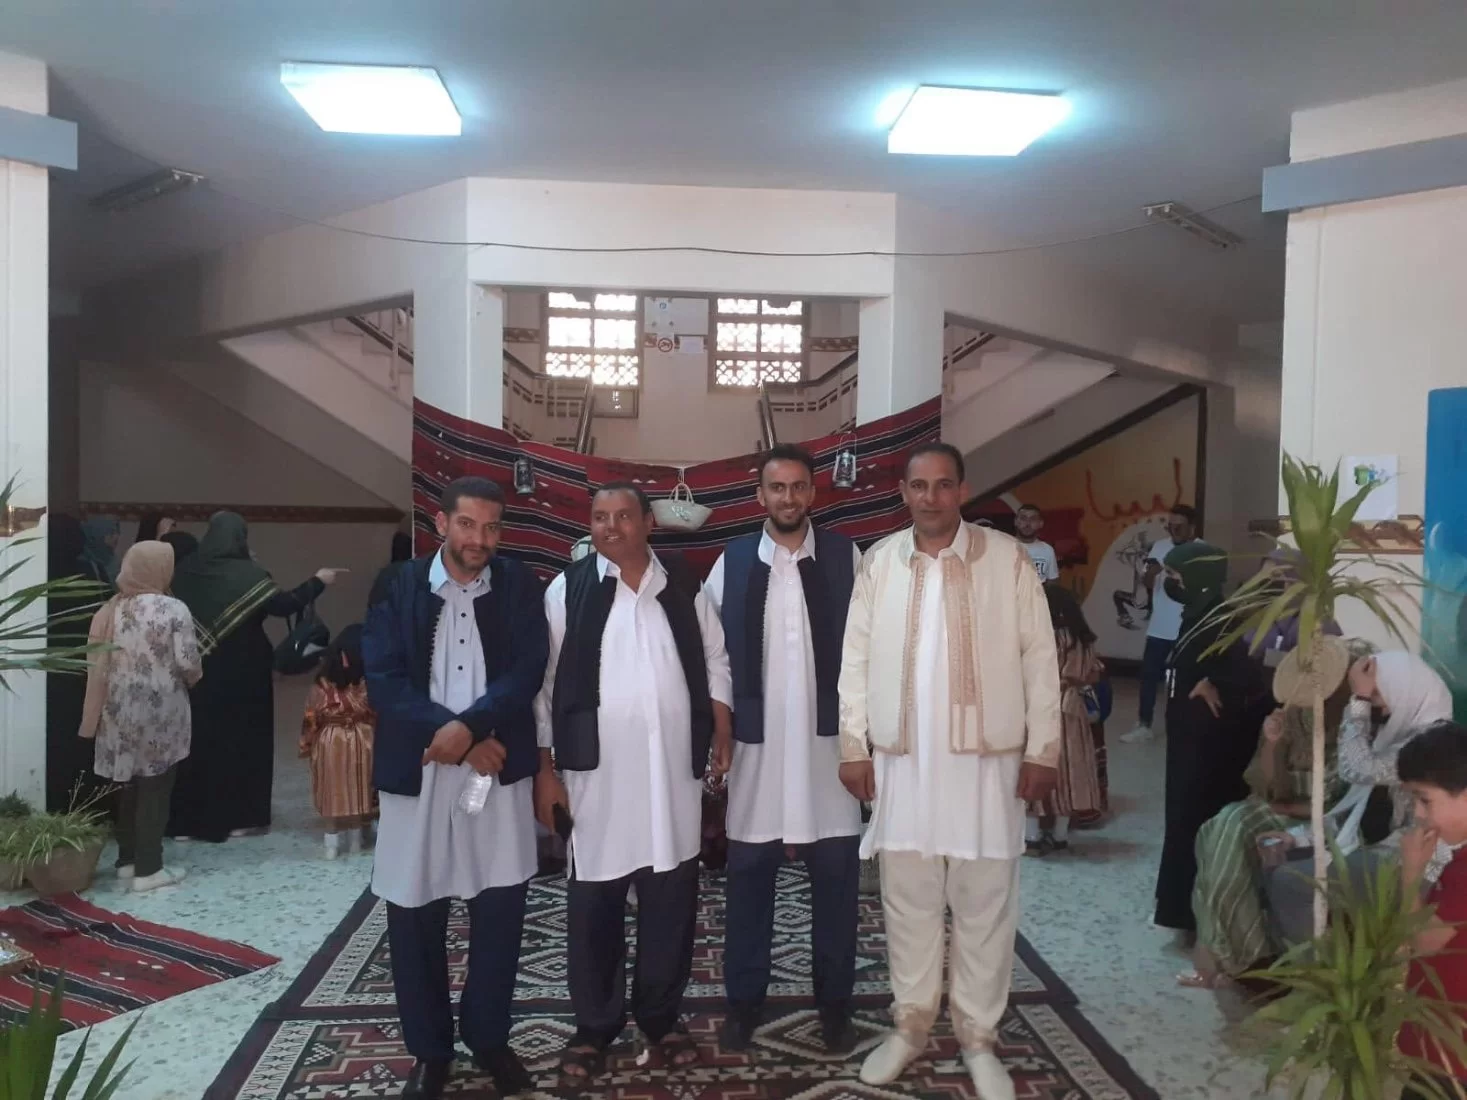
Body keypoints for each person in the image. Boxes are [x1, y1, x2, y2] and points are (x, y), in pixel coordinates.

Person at [837, 442, 1060, 1100]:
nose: (929, 497)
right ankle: (909, 1026)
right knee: (907, 900)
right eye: (918, 486)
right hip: (902, 760)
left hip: (985, 764)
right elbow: (854, 660)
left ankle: (977, 1037)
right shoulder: (880, 562)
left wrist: (1043, 750)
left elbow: (1039, 658)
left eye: (942, 485)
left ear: (962, 491)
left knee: (984, 903)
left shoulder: (1007, 560)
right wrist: (852, 746)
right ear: (903, 493)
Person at [533, 481, 733, 1087]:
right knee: (594, 907)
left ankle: (660, 1020)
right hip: (595, 780)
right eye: (600, 517)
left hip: (671, 778)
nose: (611, 527)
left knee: (671, 905)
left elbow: (716, 659)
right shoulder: (567, 590)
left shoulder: (682, 586)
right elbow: (544, 686)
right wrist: (545, 772)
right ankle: (594, 1027)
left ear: (649, 522)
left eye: (623, 516)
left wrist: (722, 729)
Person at [363, 477, 548, 1099]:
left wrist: (472, 730)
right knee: (415, 914)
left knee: (500, 911)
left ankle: (489, 1038)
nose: (480, 539)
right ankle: (430, 1050)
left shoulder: (518, 585)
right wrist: (460, 738)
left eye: (492, 527)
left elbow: (527, 669)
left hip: (496, 772)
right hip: (419, 770)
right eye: (468, 524)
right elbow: (384, 678)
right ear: (441, 524)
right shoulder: (398, 585)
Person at [703, 444, 863, 1054]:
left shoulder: (848, 557)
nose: (788, 498)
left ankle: (835, 1007)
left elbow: (867, 653)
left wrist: (864, 740)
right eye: (777, 487)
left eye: (798, 487)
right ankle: (743, 1004)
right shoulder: (733, 561)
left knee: (837, 887)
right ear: (760, 495)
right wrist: (721, 728)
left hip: (830, 755)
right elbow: (714, 655)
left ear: (813, 493)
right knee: (748, 884)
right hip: (758, 754)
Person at [1184, 637, 1372, 987]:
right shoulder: (1292, 714)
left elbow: (1338, 803)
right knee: (1224, 826)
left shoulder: (1356, 725)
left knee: (1244, 833)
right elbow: (1268, 786)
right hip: (1278, 806)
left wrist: (1284, 807)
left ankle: (1237, 955)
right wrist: (1272, 743)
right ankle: (1238, 950)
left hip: (1326, 821)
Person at [167, 512, 340, 842]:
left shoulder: (186, 571)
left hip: (200, 668)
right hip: (246, 670)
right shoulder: (249, 574)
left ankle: (188, 823)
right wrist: (318, 581)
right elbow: (284, 604)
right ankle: (241, 818)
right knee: (244, 741)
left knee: (200, 741)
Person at [1153, 538, 1274, 935]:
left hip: (1206, 750)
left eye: (1175, 575)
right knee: (1180, 819)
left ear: (1198, 576)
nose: (1169, 582)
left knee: (1194, 822)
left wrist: (1213, 680)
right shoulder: (1198, 613)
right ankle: (1178, 911)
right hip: (1188, 741)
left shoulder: (1221, 618)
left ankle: (1197, 914)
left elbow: (1248, 678)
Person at [78, 541, 201, 893]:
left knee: (127, 783)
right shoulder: (173, 608)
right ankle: (149, 869)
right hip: (160, 710)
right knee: (155, 785)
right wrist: (193, 678)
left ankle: (127, 861)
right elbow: (188, 663)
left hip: (117, 708)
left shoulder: (111, 609)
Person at [1396, 722, 1467, 1098]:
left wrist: (1411, 873)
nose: (1419, 813)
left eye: (1425, 800)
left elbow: (1424, 941)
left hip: (1450, 1052)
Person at [1025, 583, 1103, 856]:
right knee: (1070, 773)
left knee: (1035, 768)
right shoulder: (1084, 639)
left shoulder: (1040, 637)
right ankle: (1060, 836)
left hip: (1040, 708)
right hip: (1072, 710)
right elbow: (1094, 674)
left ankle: (1032, 836)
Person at [299, 624, 377, 860]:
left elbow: (311, 716)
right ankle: (355, 838)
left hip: (330, 739)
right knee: (357, 788)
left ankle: (333, 841)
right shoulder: (364, 683)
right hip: (360, 738)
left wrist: (307, 742)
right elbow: (373, 711)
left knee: (333, 789)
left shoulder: (321, 685)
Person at [1121, 505, 1198, 744]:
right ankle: (1144, 724)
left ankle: (1184, 725)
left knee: (1185, 678)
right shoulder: (1159, 547)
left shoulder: (1203, 550)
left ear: (1192, 527)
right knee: (1149, 676)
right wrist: (1151, 573)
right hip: (1159, 626)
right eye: (1170, 526)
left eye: (1179, 527)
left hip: (1187, 626)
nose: (1174, 531)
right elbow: (1148, 582)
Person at [44, 514, 93, 812]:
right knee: (77, 742)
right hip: (81, 676)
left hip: (38, 674)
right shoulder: (89, 579)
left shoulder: (30, 578)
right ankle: (78, 807)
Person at [1014, 504, 1059, 583]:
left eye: (1033, 519)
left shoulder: (1047, 550)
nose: (1027, 524)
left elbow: (1052, 580)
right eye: (1023, 518)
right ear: (1016, 522)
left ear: (1040, 524)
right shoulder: (1004, 547)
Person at [77, 516, 121, 586]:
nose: (116, 537)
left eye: (117, 532)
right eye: (111, 532)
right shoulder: (83, 563)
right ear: (97, 534)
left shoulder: (114, 560)